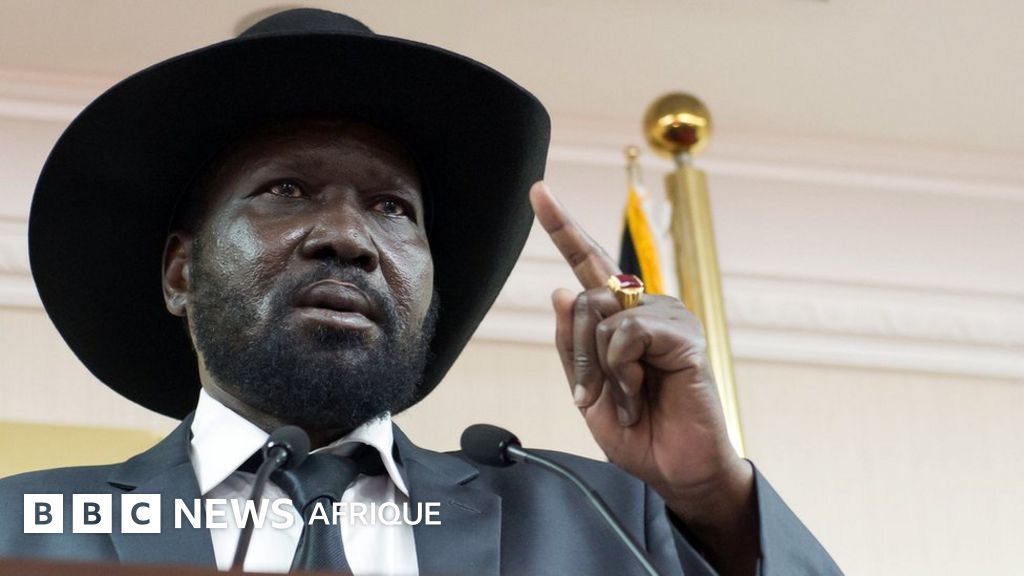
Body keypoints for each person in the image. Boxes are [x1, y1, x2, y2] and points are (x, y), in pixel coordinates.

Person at [0, 8, 840, 576]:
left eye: (392, 208)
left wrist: (708, 494)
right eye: (286, 190)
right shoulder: (28, 527)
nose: (349, 237)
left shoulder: (596, 520)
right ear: (180, 272)